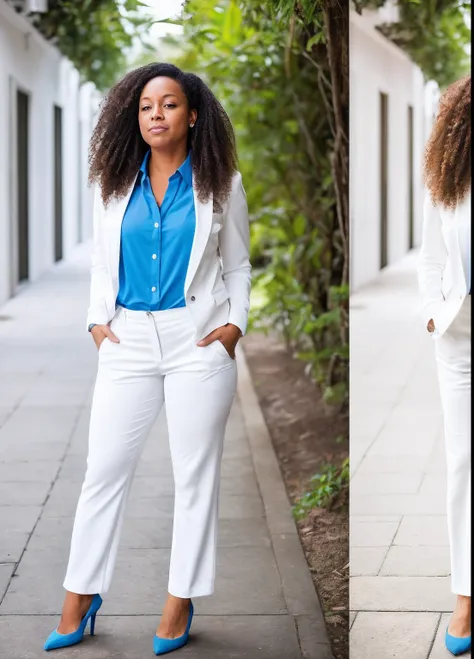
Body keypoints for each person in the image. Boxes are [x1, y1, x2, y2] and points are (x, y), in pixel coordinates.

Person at [43, 62, 251, 655]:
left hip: (198, 341)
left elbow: (237, 264)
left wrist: (235, 325)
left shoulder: (222, 183)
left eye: (169, 104)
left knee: (194, 477)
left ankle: (179, 600)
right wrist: (96, 322)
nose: (156, 114)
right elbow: (102, 264)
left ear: (192, 115)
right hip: (128, 339)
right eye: (145, 106)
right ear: (133, 118)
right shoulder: (112, 183)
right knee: (103, 471)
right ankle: (79, 597)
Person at [418, 74, 471, 657]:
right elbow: (430, 255)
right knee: (463, 463)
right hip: (460, 337)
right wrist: (432, 313)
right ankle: (466, 594)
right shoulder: (448, 180)